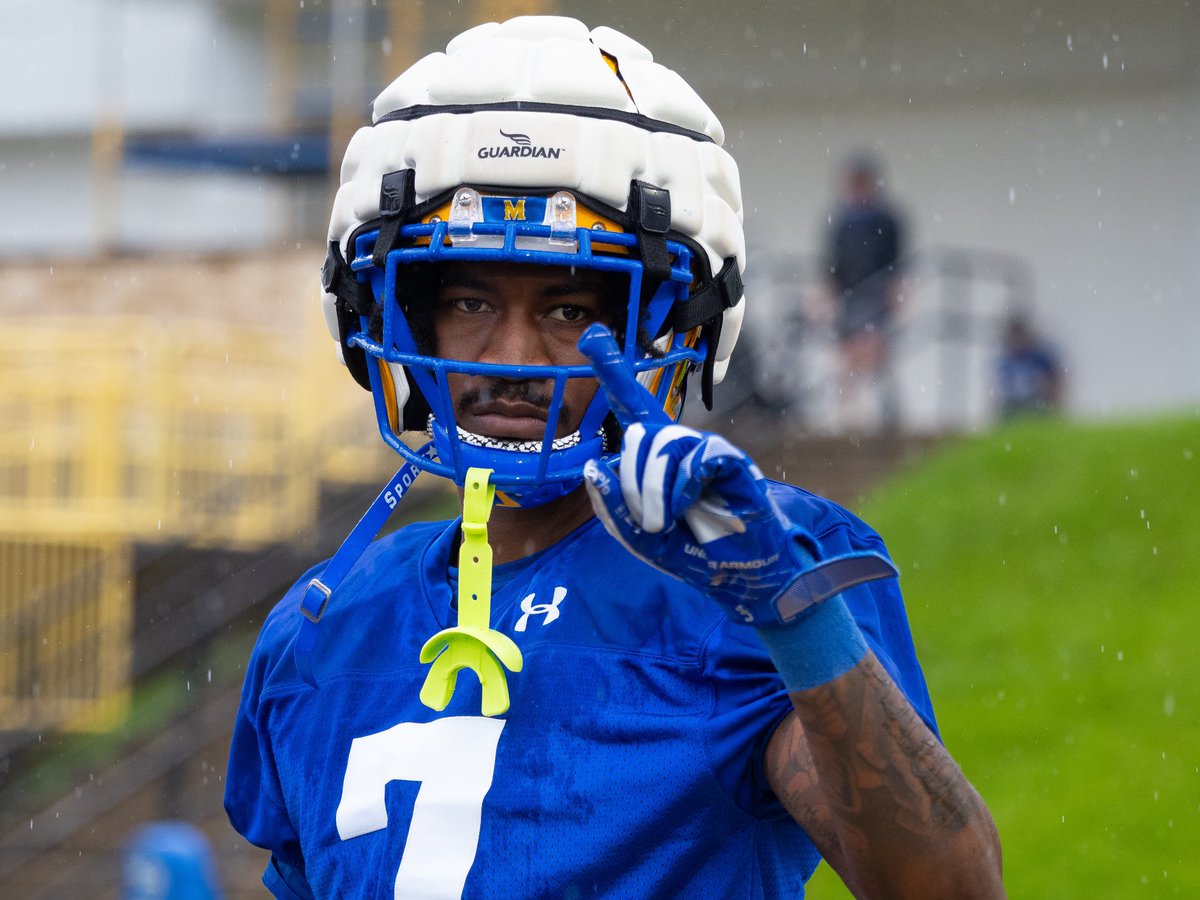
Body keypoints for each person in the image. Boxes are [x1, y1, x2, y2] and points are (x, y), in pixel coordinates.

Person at [224, 16, 1004, 899]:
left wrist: (795, 621)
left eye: (567, 311)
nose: (512, 360)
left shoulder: (762, 569)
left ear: (671, 327)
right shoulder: (320, 626)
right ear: (396, 313)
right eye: (471, 298)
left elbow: (948, 890)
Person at [825, 154, 906, 433]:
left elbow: (896, 259)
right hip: (850, 295)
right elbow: (832, 262)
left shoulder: (885, 218)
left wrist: (895, 289)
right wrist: (829, 294)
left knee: (874, 351)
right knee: (849, 355)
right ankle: (851, 417)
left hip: (876, 291)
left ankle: (885, 413)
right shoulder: (842, 219)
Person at [997, 312, 1064, 419]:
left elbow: (1056, 379)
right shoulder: (1006, 361)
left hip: (1037, 403)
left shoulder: (1040, 358)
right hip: (1014, 406)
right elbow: (1002, 386)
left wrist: (1053, 400)